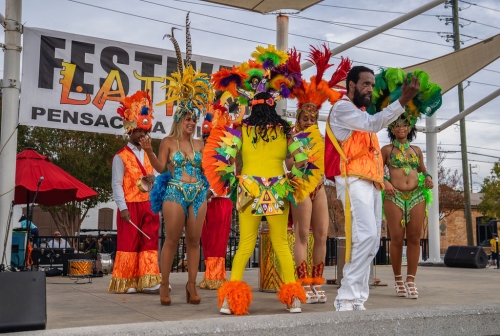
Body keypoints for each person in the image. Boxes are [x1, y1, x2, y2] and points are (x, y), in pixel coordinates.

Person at [206, 46, 319, 315]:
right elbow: (303, 162)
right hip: (278, 189)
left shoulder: (241, 130)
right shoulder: (286, 131)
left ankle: (228, 300)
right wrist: (296, 180)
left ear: (251, 106)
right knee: (281, 243)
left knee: (245, 243)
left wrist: (231, 182)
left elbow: (224, 158)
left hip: (248, 190)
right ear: (274, 105)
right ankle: (293, 298)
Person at [325, 66, 421, 311]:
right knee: (364, 236)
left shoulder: (360, 111)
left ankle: (357, 298)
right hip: (353, 180)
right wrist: (403, 100)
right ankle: (345, 297)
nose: (369, 89)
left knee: (371, 242)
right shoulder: (343, 108)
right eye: (365, 84)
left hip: (372, 182)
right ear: (351, 85)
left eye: (371, 84)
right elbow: (374, 123)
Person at [142, 14, 213, 306]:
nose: (192, 122)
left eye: (194, 119)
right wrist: (147, 151)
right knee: (171, 240)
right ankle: (165, 285)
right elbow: (160, 170)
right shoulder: (168, 142)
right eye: (187, 118)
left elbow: (210, 167)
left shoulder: (200, 142)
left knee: (195, 242)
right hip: (173, 191)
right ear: (178, 119)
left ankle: (192, 286)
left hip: (198, 192)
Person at [288, 45, 350, 304]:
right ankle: (302, 283)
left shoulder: (322, 138)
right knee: (303, 234)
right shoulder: (291, 137)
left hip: (319, 187)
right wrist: (295, 146)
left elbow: (332, 158)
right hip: (301, 186)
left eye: (313, 116)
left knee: (323, 234)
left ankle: (316, 282)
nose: (309, 119)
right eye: (306, 116)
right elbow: (291, 163)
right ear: (299, 116)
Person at [110, 89, 162, 295]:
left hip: (149, 204)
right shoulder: (120, 156)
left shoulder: (151, 153)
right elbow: (116, 184)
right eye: (139, 131)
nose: (142, 134)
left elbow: (159, 175)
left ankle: (148, 280)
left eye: (145, 131)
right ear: (130, 130)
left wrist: (154, 179)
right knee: (129, 241)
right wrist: (122, 207)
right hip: (130, 205)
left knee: (149, 239)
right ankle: (127, 280)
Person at [382, 112, 434, 299]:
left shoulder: (416, 150)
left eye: (404, 124)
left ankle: (410, 280)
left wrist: (428, 177)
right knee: (396, 237)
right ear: (391, 128)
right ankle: (398, 279)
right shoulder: (386, 150)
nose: (400, 128)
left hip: (417, 195)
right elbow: (377, 171)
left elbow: (423, 170)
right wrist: (385, 182)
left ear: (410, 127)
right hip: (393, 195)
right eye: (396, 125)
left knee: (414, 238)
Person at [198, 102, 234, 290]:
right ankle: (209, 275)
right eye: (205, 137)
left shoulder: (227, 154)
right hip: (204, 202)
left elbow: (228, 177)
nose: (206, 140)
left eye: (209, 136)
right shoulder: (201, 155)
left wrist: (212, 191)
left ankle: (217, 276)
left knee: (218, 239)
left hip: (220, 202)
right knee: (206, 239)